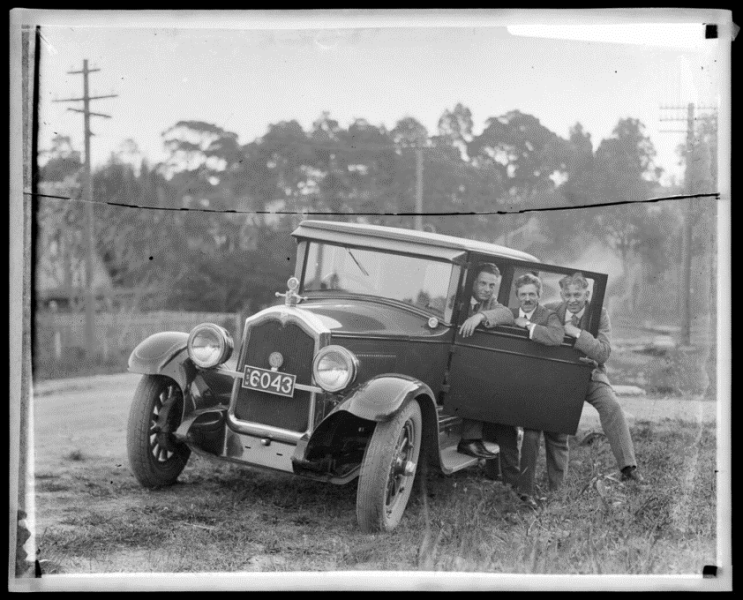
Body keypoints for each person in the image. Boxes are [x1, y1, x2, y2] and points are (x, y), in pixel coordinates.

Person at [547, 272, 643, 484]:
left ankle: (628, 469)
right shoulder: (552, 309)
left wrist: (576, 333)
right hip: (562, 376)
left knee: (612, 407)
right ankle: (557, 484)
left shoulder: (599, 313)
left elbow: (603, 353)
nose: (572, 300)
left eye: (577, 295)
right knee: (557, 423)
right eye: (568, 295)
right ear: (562, 294)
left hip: (591, 374)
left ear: (587, 294)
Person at [499, 273, 566, 509]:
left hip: (537, 387)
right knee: (503, 429)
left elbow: (557, 337)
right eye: (523, 294)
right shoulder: (508, 313)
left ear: (539, 296)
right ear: (517, 296)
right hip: (511, 381)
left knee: (531, 435)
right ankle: (510, 484)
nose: (527, 299)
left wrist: (528, 326)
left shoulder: (548, 316)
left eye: (532, 295)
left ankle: (525, 492)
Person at [456, 262, 514, 460]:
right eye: (483, 283)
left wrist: (480, 316)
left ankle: (473, 439)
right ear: (473, 282)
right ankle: (469, 440)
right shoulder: (457, 296)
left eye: (491, 285)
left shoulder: (490, 304)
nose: (487, 289)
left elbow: (507, 314)